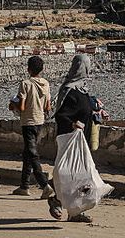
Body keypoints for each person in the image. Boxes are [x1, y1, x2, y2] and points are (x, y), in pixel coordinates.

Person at [46, 53, 97, 223]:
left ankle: (75, 212)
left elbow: (86, 110)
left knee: (81, 176)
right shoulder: (69, 91)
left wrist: (97, 112)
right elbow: (61, 116)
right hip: (70, 140)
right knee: (68, 174)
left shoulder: (83, 89)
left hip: (83, 141)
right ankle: (57, 200)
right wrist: (74, 123)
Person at [9, 55, 54, 198]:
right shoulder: (46, 83)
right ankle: (24, 185)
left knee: (32, 154)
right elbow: (48, 106)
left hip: (28, 122)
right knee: (28, 152)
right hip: (40, 121)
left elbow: (21, 106)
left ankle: (44, 184)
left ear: (28, 69)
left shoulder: (25, 84)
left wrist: (12, 104)